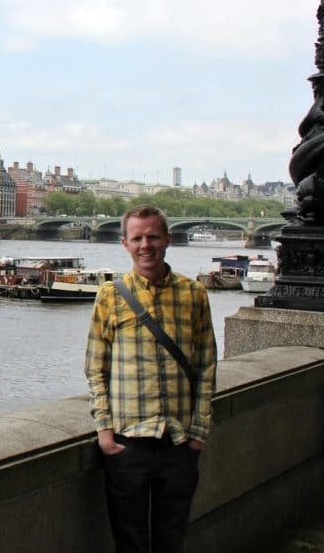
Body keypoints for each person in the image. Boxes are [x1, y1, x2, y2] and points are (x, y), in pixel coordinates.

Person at [85, 205, 217, 552]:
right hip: (128, 441)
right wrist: (104, 431)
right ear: (125, 244)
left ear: (167, 240)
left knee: (171, 540)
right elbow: (96, 367)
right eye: (138, 238)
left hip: (178, 441)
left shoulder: (194, 294)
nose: (146, 245)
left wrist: (198, 434)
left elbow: (206, 367)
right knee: (130, 542)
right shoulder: (110, 295)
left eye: (153, 237)